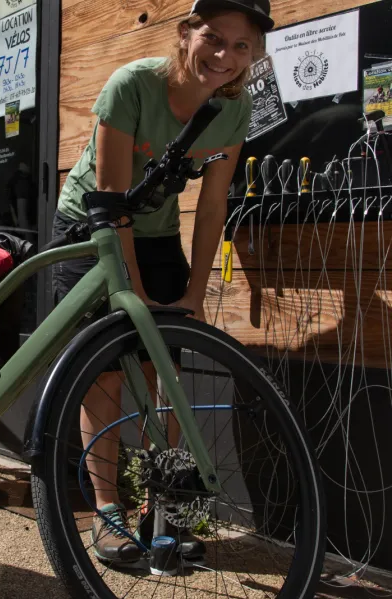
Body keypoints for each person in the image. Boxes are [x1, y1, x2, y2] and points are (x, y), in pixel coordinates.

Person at [51, 0, 273, 567]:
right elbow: (111, 202)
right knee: (105, 373)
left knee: (165, 370)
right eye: (213, 38)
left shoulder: (235, 107)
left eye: (241, 46)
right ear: (186, 33)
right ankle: (107, 514)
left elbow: (212, 204)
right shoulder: (133, 85)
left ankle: (163, 511)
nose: (225, 56)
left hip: (155, 232)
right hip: (92, 226)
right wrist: (136, 296)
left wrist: (195, 293)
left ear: (254, 54)